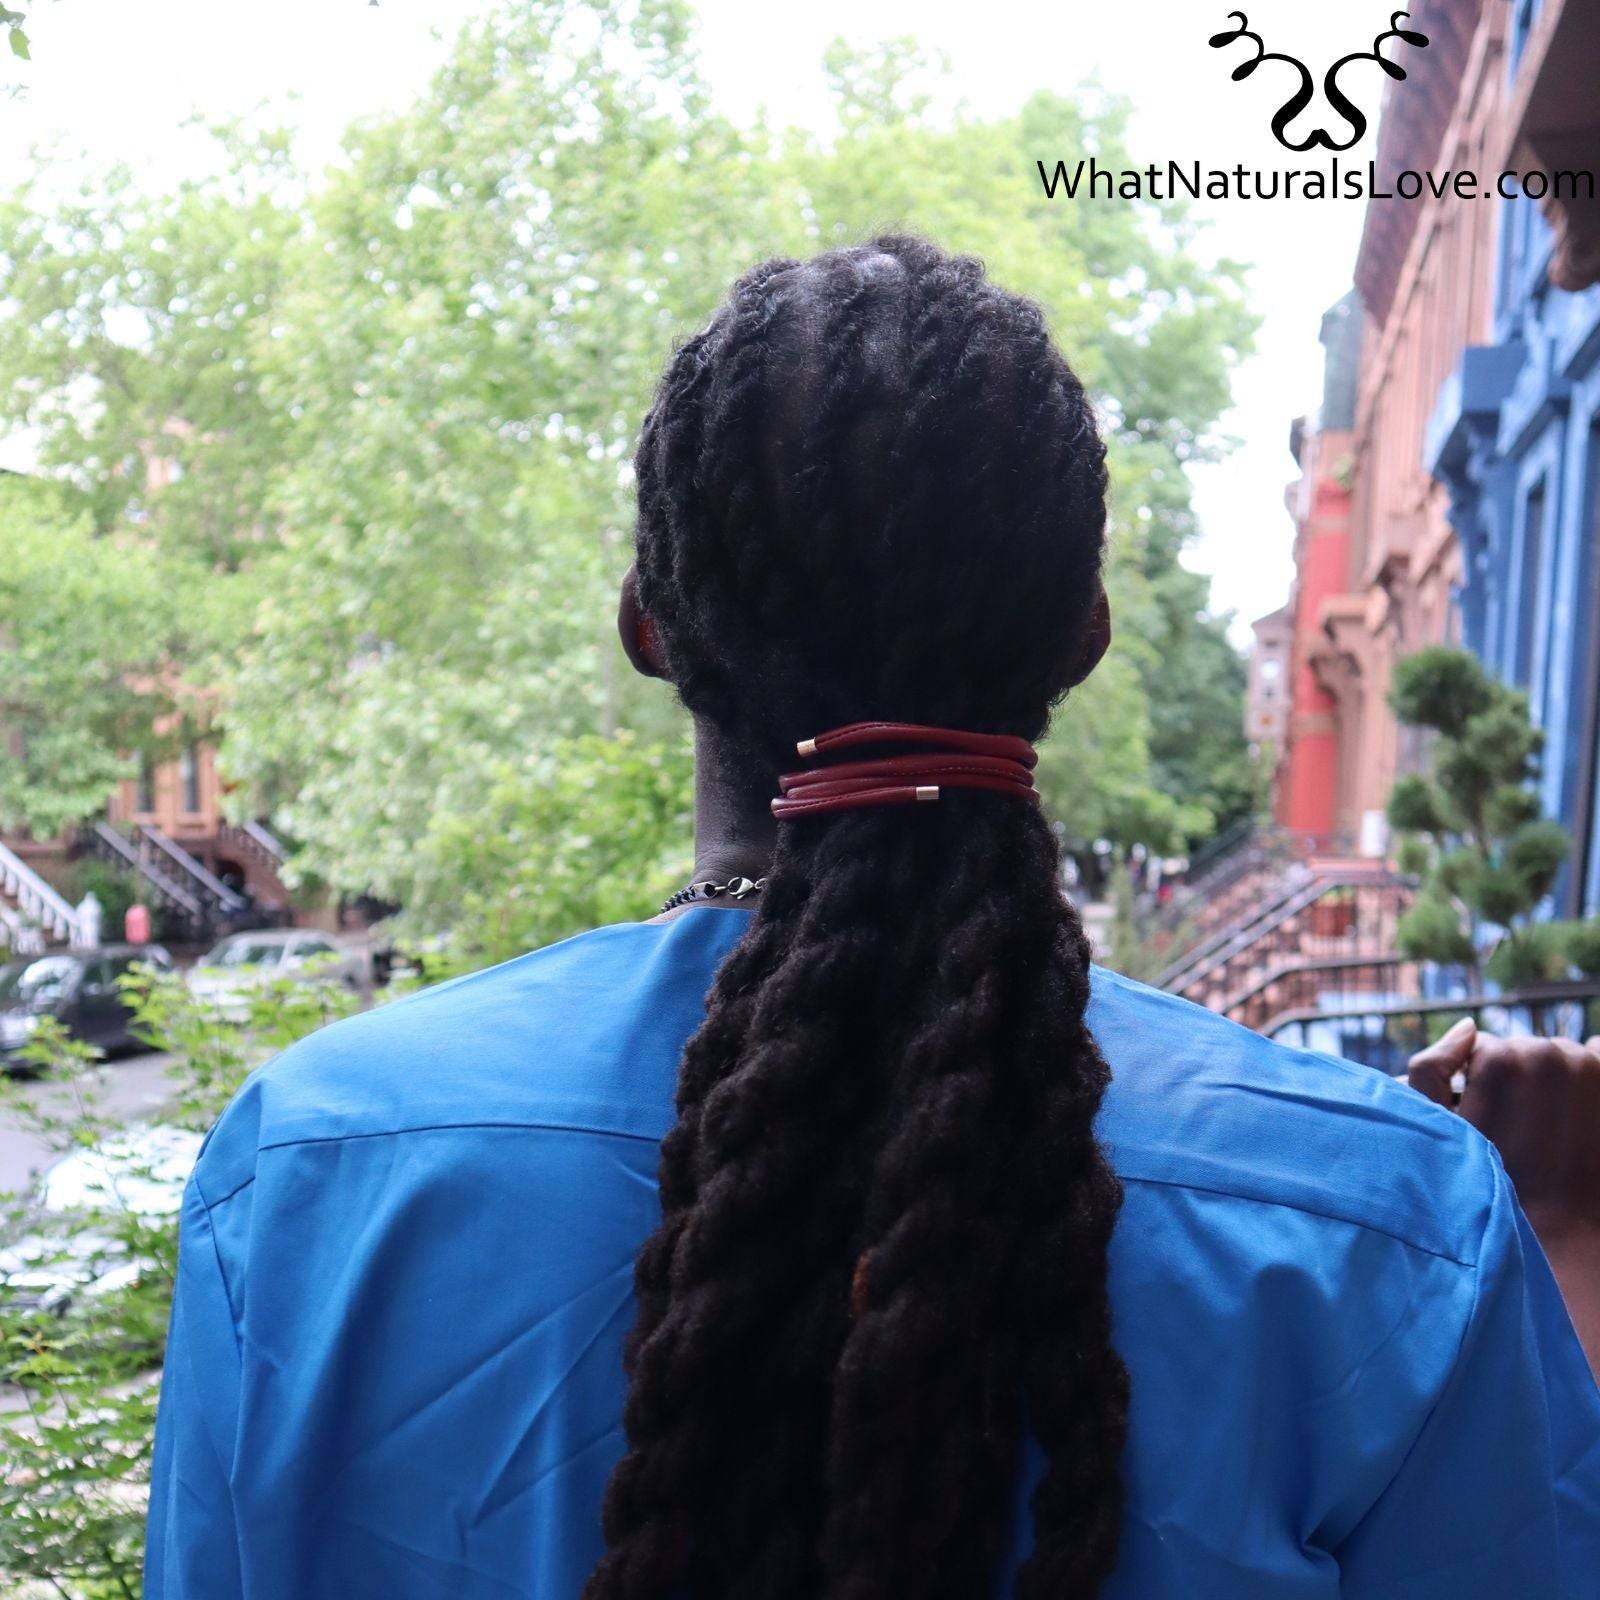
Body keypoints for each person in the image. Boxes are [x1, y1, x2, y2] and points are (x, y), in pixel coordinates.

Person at [145, 237, 1600, 1599]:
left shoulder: (310, 1173)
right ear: (1083, 635)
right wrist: (1573, 1243)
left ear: (649, 623)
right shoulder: (1399, 1237)